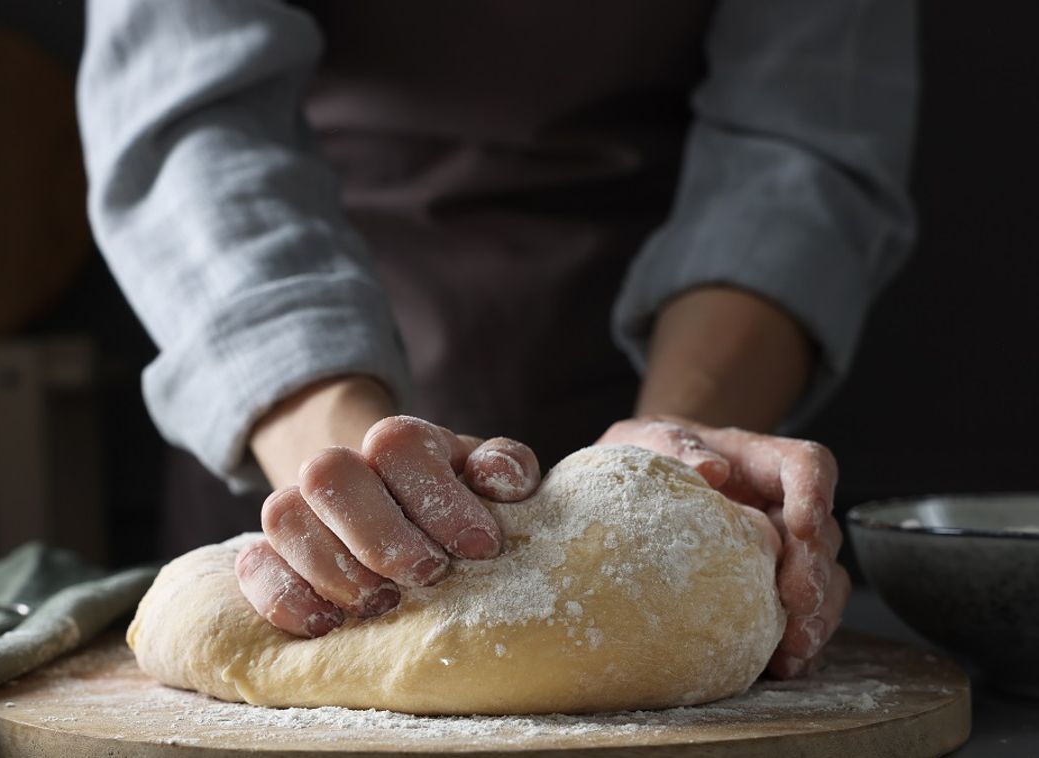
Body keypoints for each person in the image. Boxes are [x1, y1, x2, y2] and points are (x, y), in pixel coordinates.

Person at [77, 0, 917, 680]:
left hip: (669, 323)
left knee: (671, 588)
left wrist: (677, 472)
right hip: (300, 362)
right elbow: (191, 125)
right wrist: (344, 467)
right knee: (329, 574)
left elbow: (798, 140)